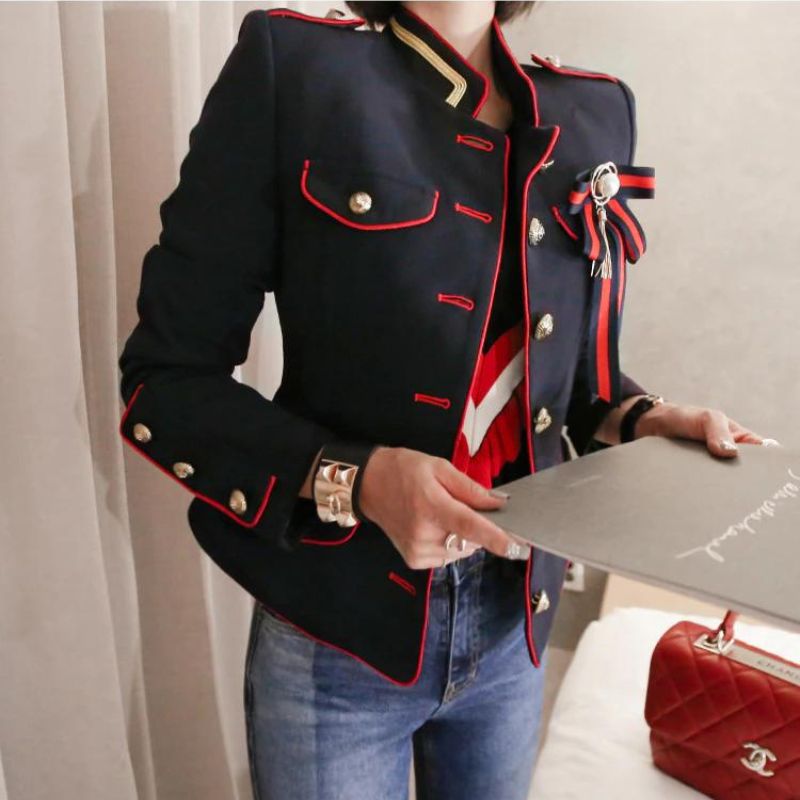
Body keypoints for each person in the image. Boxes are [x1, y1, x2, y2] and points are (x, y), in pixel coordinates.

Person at [117, 2, 764, 798]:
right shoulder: (298, 70)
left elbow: (567, 383)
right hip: (339, 630)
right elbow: (166, 381)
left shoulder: (594, 111)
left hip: (515, 621)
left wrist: (644, 419)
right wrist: (357, 479)